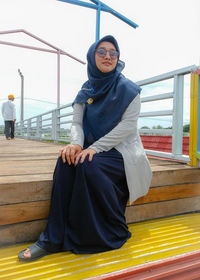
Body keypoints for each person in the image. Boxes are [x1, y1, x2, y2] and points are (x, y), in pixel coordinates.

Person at [18, 35, 152, 262]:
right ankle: (51, 239)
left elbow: (127, 127)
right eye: (101, 52)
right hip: (91, 148)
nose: (108, 56)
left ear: (118, 58)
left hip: (122, 152)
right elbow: (77, 123)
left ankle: (95, 235)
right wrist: (76, 144)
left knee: (88, 164)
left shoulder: (129, 89)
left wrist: (95, 148)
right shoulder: (86, 89)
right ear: (92, 56)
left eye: (113, 52)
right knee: (66, 160)